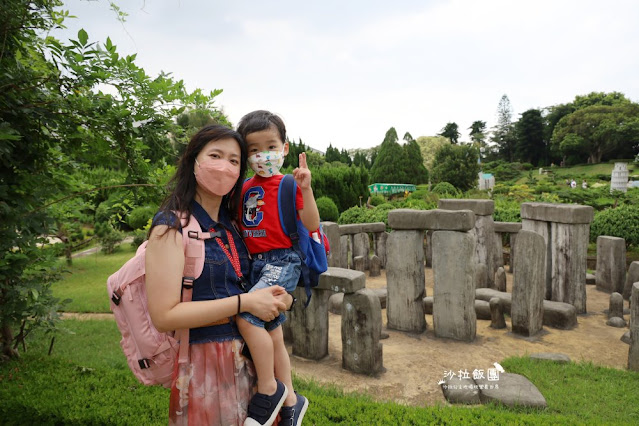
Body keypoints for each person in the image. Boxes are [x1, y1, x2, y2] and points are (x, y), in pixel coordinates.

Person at [145, 124, 291, 425]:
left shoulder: (233, 226)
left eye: (234, 161)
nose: (224, 166)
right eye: (215, 155)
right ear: (194, 161)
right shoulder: (171, 227)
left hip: (251, 367)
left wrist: (275, 297)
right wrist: (244, 303)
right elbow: (164, 316)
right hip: (205, 372)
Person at [236, 110, 319, 426]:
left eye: (270, 146)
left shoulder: (289, 183)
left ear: (284, 148)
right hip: (255, 266)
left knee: (247, 316)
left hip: (283, 260)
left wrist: (307, 188)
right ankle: (293, 402)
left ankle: (269, 389)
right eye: (254, 150)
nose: (262, 156)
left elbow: (311, 224)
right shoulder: (243, 188)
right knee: (272, 331)